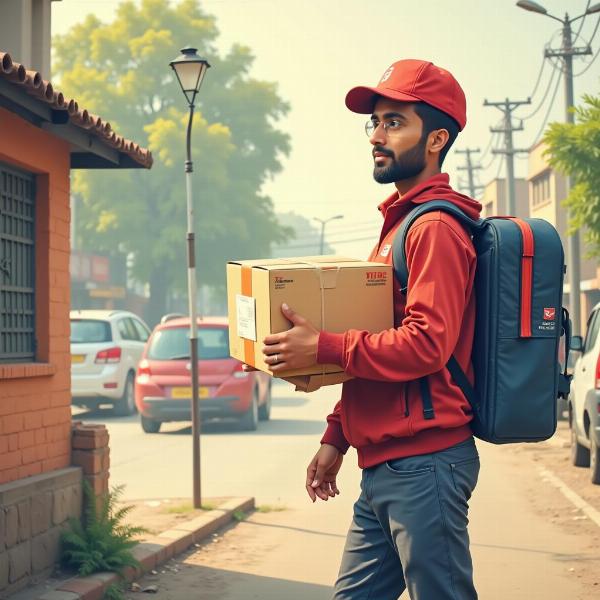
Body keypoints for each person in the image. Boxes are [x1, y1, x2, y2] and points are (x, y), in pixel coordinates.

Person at [259, 59, 482, 599]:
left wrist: (325, 346)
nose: (377, 137)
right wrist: (337, 435)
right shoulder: (397, 227)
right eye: (374, 122)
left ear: (437, 139)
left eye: (393, 122)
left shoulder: (434, 228)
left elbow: (426, 344)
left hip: (425, 464)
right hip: (385, 465)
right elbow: (378, 342)